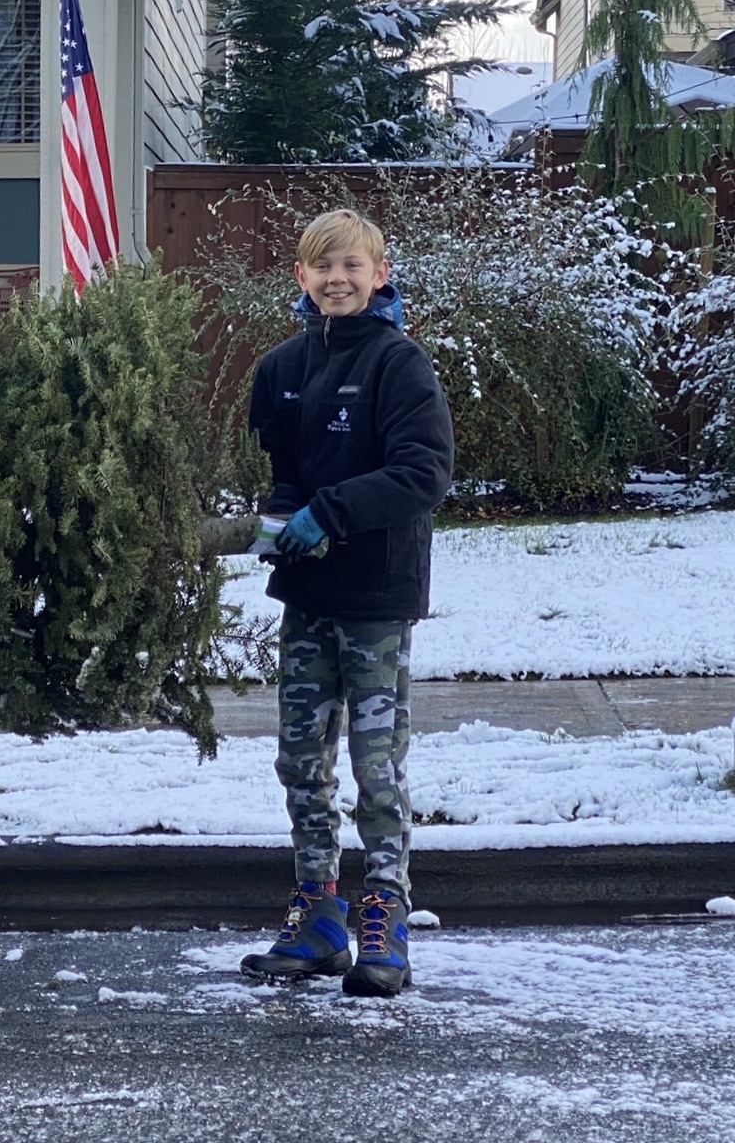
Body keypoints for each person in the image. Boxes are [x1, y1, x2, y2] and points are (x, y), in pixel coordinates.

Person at [239, 208, 453, 997]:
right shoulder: (281, 367)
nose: (338, 280)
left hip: (377, 596)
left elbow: (424, 472)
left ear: (380, 274)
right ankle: (319, 914)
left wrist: (328, 514)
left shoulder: (401, 365)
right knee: (301, 759)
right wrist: (281, 517)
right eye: (323, 267)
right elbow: (282, 473)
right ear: (301, 277)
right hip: (309, 594)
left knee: (375, 760)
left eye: (352, 266)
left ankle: (385, 914)